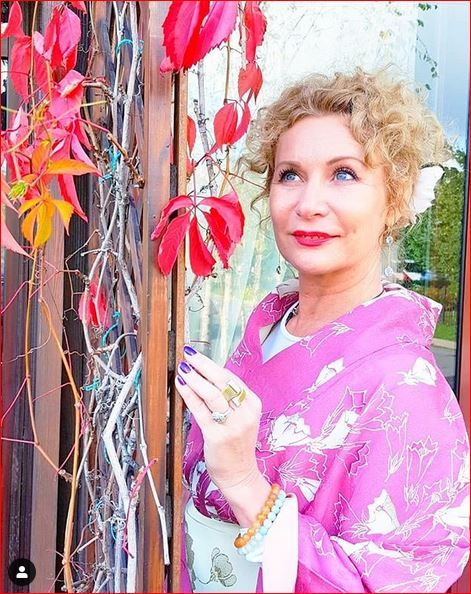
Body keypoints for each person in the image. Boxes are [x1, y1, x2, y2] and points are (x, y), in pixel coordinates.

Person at [174, 67, 470, 593]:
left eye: (344, 174)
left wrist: (244, 483)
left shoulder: (406, 384)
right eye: (290, 174)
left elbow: (395, 582)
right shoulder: (266, 328)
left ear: (394, 200)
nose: (308, 204)